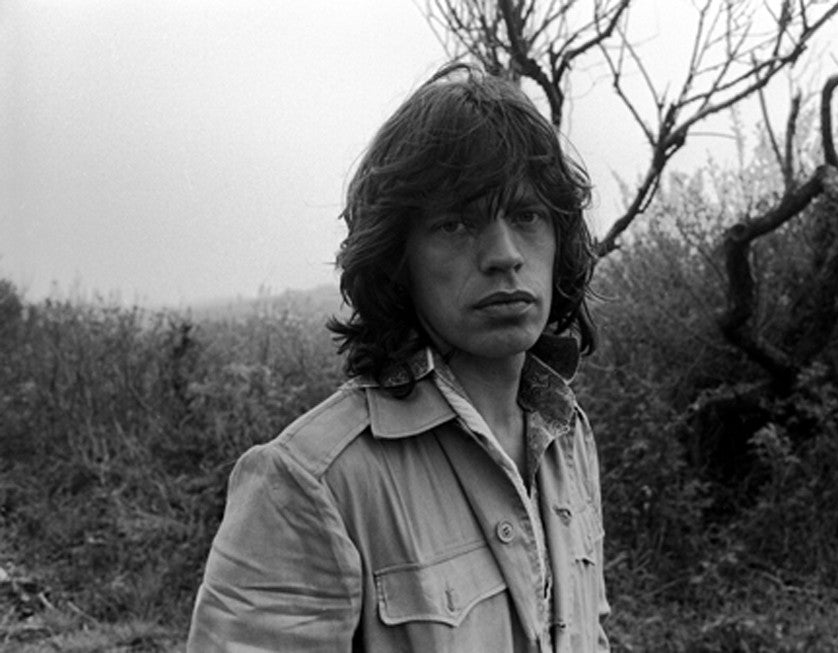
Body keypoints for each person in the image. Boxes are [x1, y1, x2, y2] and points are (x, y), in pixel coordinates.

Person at [187, 63, 609, 652]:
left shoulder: (566, 435)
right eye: (456, 223)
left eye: (527, 215)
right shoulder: (309, 483)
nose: (504, 255)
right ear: (397, 259)